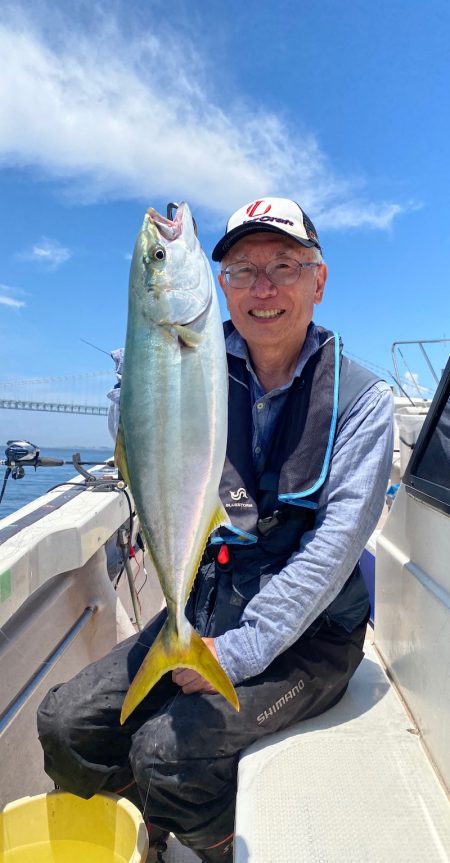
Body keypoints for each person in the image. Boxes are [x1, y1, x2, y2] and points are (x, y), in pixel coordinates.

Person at [37, 197, 393, 862]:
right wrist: (133, 384)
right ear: (217, 282)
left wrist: (240, 650)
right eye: (242, 269)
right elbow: (146, 449)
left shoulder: (363, 402)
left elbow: (333, 550)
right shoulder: (194, 360)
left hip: (310, 638)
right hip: (202, 606)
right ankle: (147, 821)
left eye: (284, 266)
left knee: (167, 754)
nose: (263, 287)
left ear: (319, 280)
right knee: (65, 724)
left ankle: (212, 840)